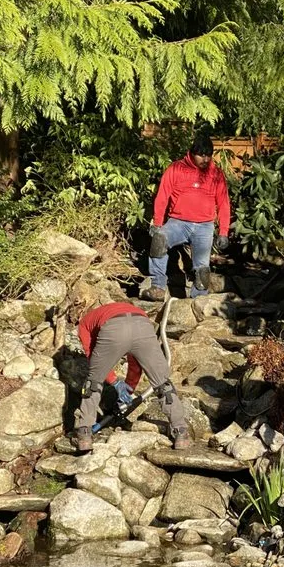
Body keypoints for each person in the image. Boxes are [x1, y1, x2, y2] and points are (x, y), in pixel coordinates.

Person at [73, 302, 191, 454]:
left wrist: (115, 382)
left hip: (113, 328)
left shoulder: (84, 324)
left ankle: (84, 435)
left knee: (93, 383)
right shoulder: (114, 309)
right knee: (163, 384)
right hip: (142, 324)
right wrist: (128, 389)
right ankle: (180, 432)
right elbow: (136, 363)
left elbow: (92, 359)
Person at [141, 135, 230, 302]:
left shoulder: (216, 174)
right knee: (159, 239)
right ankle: (158, 287)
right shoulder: (176, 169)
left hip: (205, 226)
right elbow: (162, 196)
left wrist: (224, 231)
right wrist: (158, 222)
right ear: (192, 153)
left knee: (202, 268)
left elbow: (224, 203)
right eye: (201, 155)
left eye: (208, 155)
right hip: (178, 223)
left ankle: (198, 301)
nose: (205, 159)